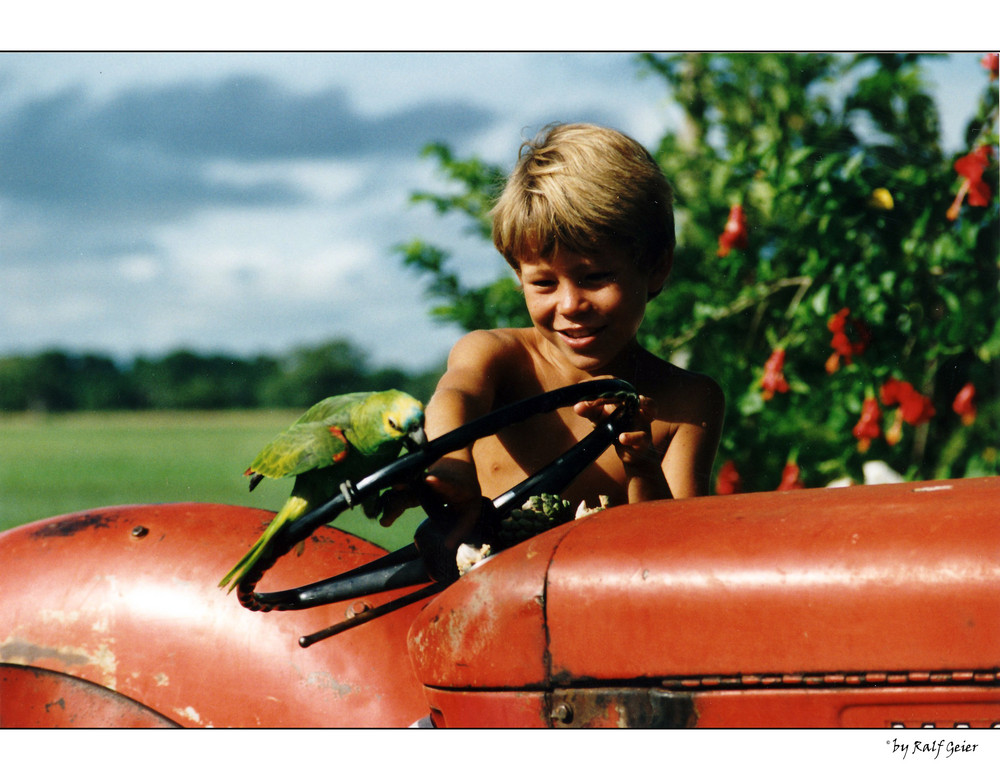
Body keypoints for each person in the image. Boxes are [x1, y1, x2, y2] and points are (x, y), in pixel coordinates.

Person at [389, 123, 724, 549]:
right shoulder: (497, 356)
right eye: (544, 283)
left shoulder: (687, 402)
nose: (570, 305)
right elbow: (457, 395)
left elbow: (677, 547)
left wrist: (642, 466)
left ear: (656, 268)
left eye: (596, 277)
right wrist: (451, 465)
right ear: (518, 276)